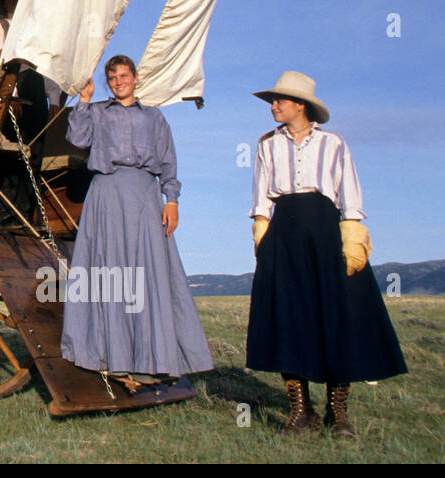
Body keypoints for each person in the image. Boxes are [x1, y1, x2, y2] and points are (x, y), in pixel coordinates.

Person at [246, 71, 405, 436]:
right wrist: (261, 238)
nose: (273, 106)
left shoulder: (333, 143)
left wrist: (351, 239)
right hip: (283, 234)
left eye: (279, 101)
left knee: (338, 316)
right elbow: (260, 199)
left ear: (299, 106)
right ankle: (301, 412)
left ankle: (338, 414)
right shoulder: (266, 145)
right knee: (289, 317)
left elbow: (349, 193)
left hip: (326, 233)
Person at [60, 55, 212, 389]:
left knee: (149, 274)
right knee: (109, 272)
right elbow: (77, 139)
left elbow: (168, 161)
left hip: (145, 194)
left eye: (124, 76)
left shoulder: (155, 117)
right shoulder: (97, 112)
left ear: (136, 78)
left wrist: (171, 199)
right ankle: (106, 357)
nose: (118, 81)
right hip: (106, 194)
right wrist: (84, 99)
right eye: (112, 77)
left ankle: (152, 360)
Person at [0, 0, 62, 224]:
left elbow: (47, 64)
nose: (18, 2)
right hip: (12, 95)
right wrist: (11, 95)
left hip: (36, 93)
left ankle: (27, 214)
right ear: (6, 2)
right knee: (12, 154)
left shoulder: (37, 32)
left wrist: (55, 99)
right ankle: (6, 213)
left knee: (34, 155)